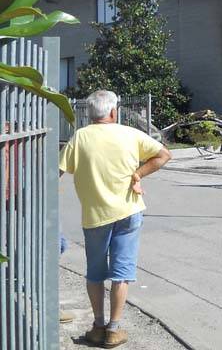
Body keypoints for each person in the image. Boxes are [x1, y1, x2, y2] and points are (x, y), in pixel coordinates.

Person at [59, 90, 171, 348]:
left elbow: (60, 170)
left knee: (95, 273)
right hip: (128, 211)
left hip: (95, 216)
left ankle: (98, 325)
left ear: (89, 113)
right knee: (122, 272)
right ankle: (114, 329)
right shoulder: (130, 134)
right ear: (113, 112)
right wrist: (138, 174)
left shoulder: (80, 137)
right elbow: (164, 154)